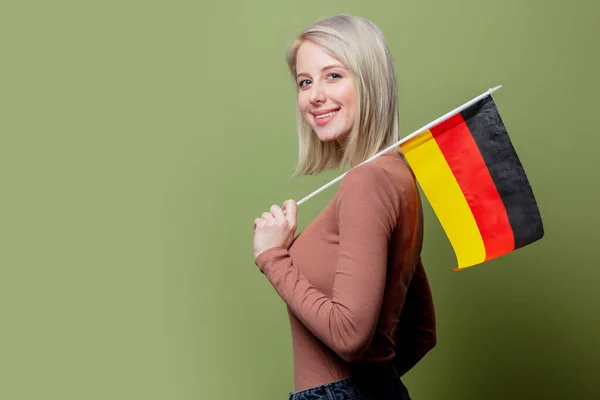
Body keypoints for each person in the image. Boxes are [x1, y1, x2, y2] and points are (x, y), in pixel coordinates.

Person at [252, 14, 436, 400]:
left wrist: (273, 256)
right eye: (305, 82)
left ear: (369, 82)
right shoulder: (398, 176)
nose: (314, 95)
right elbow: (421, 332)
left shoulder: (366, 182)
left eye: (333, 75)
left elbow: (350, 336)